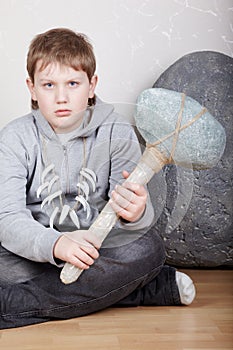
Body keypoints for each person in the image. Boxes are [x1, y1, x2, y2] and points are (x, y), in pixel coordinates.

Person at [0, 28, 195, 329]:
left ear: (91, 85)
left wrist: (137, 212)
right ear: (32, 88)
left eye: (73, 84)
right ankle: (135, 290)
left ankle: (11, 307)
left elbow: (132, 220)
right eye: (49, 84)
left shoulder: (117, 132)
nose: (61, 97)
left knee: (148, 248)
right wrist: (56, 244)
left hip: (97, 248)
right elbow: (8, 217)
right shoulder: (15, 137)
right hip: (37, 249)